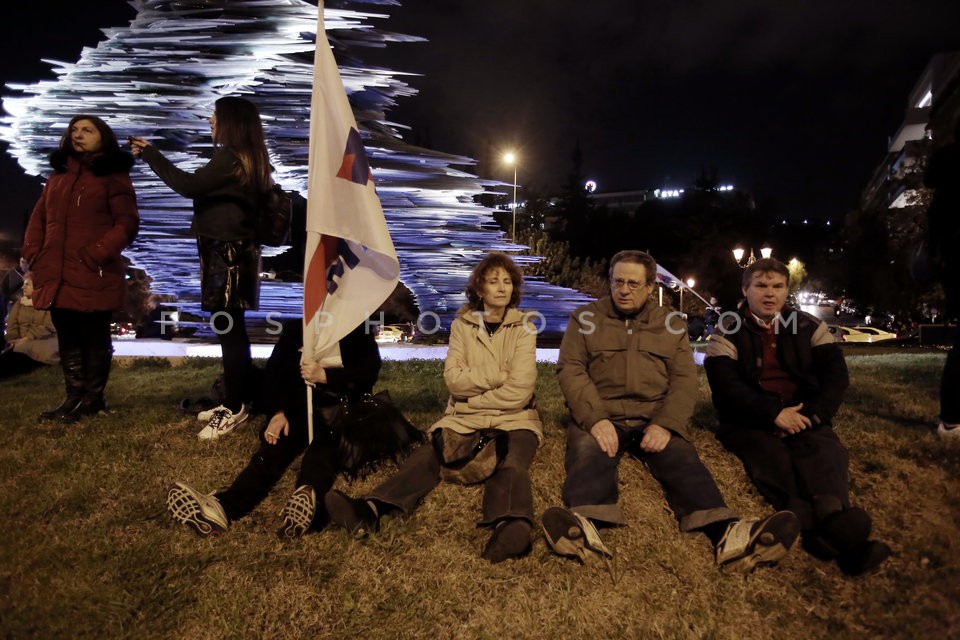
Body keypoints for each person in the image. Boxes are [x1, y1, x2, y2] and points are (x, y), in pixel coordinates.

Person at [542, 250, 800, 572]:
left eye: (634, 283)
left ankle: (728, 534)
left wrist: (666, 423)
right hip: (603, 411)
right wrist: (595, 419)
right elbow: (571, 370)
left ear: (650, 286)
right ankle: (585, 527)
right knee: (588, 452)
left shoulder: (671, 324)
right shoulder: (584, 319)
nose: (624, 289)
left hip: (654, 414)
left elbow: (683, 380)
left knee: (684, 462)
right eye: (618, 281)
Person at [323, 252, 543, 563]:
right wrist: (497, 376)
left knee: (512, 461)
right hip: (463, 417)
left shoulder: (524, 327)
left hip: (516, 418)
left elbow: (520, 391)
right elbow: (454, 381)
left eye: (507, 282)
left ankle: (512, 525)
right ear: (480, 289)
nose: (502, 288)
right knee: (427, 455)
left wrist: (473, 394)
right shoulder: (462, 326)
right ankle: (372, 509)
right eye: (493, 281)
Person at [704, 257, 892, 575]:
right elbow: (727, 388)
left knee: (825, 453)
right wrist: (772, 414)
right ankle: (833, 535)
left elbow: (835, 377)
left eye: (777, 286)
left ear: (786, 291)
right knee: (773, 460)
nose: (769, 294)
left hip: (804, 414)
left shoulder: (808, 326)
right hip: (750, 421)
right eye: (761, 286)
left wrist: (814, 414)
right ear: (745, 289)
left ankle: (829, 526)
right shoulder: (727, 331)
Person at [166, 317, 411, 538]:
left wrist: (326, 376)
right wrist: (278, 413)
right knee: (272, 451)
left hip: (341, 413)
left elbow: (367, 373)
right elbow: (274, 376)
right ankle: (224, 507)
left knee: (321, 453)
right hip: (299, 410)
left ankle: (306, 507)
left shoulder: (357, 329)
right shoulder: (297, 329)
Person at [131, 96, 270, 440]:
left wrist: (150, 153)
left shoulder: (230, 157)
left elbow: (188, 185)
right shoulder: (248, 159)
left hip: (226, 256)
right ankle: (237, 399)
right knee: (230, 328)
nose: (210, 121)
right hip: (235, 254)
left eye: (215, 116)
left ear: (232, 122)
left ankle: (235, 406)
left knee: (228, 329)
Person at [21, 115, 139, 422]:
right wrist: (35, 253)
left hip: (93, 270)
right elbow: (39, 219)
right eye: (74, 130)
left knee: (94, 337)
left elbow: (127, 223)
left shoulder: (113, 176)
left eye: (87, 130)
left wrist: (96, 254)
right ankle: (73, 397)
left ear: (103, 137)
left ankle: (92, 398)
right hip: (56, 272)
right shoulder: (58, 178)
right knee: (68, 335)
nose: (78, 135)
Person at [923, 118, 960, 440]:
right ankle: (950, 421)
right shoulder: (949, 169)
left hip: (951, 258)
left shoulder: (944, 169)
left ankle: (950, 420)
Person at [0, 272, 59, 378]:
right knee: (14, 350)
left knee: (22, 352)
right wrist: (12, 339)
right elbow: (12, 325)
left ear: (37, 287)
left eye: (27, 284)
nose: (23, 287)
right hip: (20, 341)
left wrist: (24, 339)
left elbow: (47, 327)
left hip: (43, 340)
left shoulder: (47, 304)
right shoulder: (20, 303)